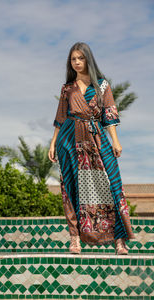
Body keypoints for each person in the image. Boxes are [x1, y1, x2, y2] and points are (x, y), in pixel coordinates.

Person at [48, 42, 135, 255]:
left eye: (81, 58)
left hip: (96, 136)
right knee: (71, 188)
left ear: (88, 59)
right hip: (69, 139)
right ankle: (75, 238)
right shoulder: (67, 88)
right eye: (73, 59)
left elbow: (110, 114)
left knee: (111, 184)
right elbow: (60, 117)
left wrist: (115, 141)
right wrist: (52, 143)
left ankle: (119, 240)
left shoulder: (102, 85)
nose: (77, 62)